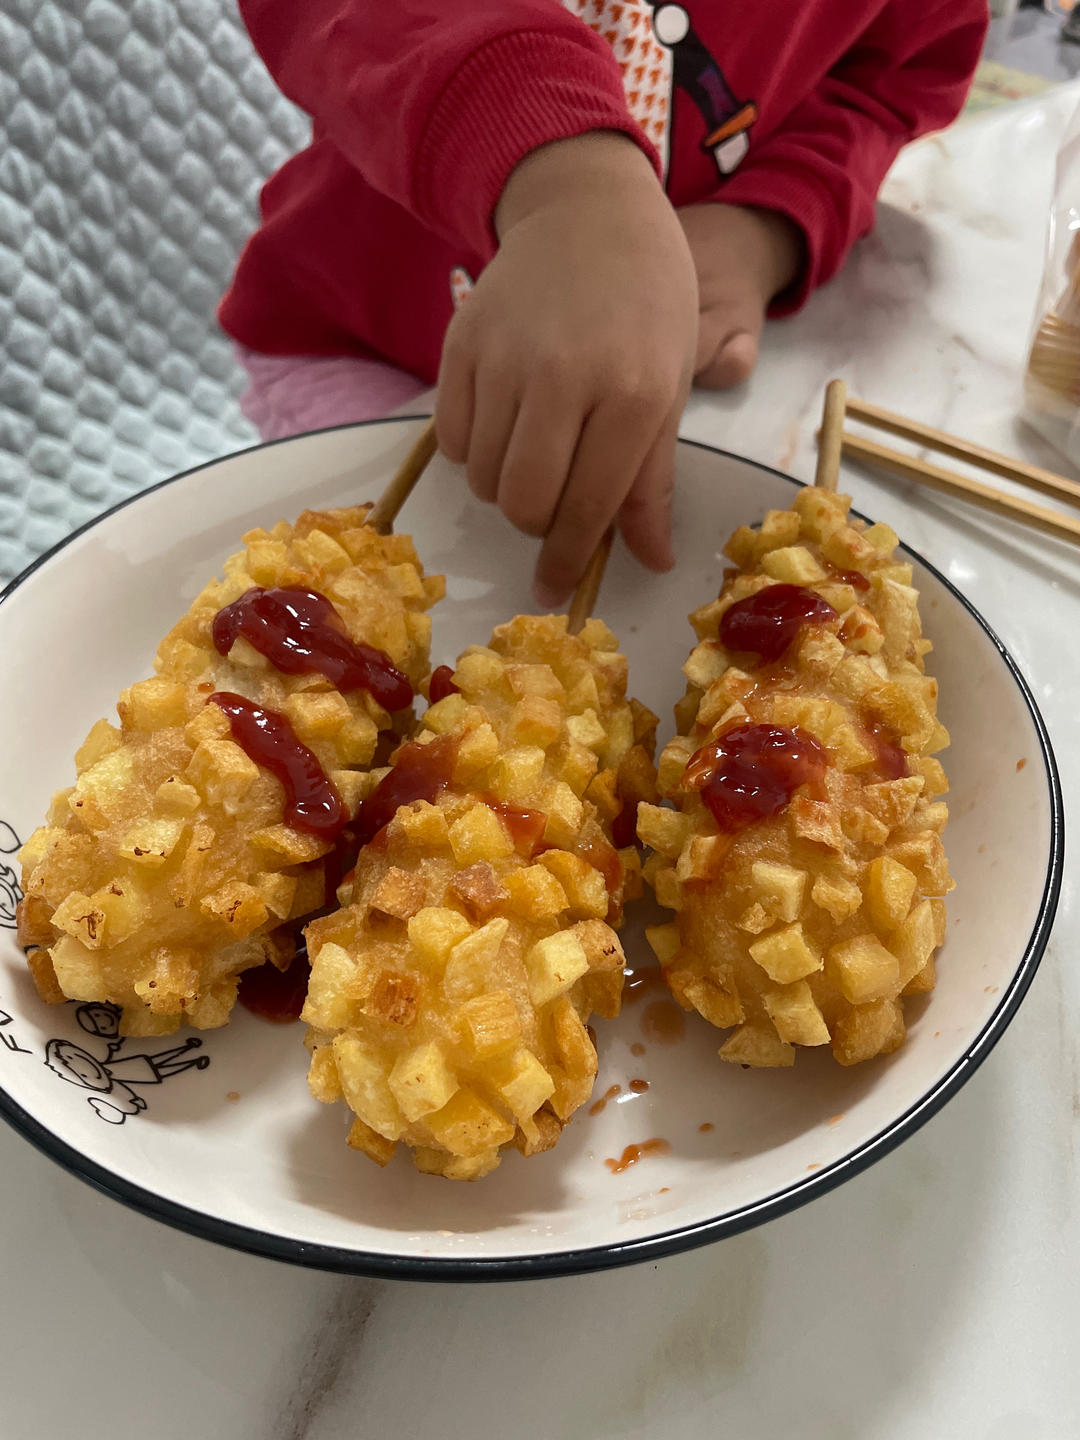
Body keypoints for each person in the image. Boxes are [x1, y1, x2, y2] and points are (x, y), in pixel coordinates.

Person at [220, 1, 988, 605]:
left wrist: (771, 217)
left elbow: (895, 73)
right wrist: (562, 177)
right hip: (365, 342)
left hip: (681, 381)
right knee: (332, 600)